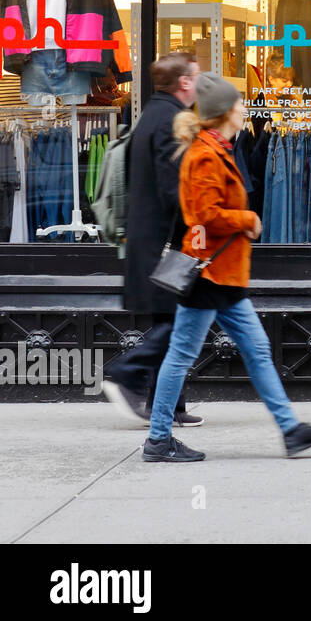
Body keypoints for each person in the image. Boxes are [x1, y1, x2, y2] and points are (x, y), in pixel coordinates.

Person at [142, 72, 311, 462]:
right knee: (183, 354)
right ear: (224, 112)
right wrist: (246, 220)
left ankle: (292, 431)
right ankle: (158, 439)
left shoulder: (218, 147)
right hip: (208, 274)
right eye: (238, 104)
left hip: (223, 273)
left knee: (258, 350)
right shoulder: (203, 154)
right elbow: (204, 214)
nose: (244, 109)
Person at [104, 51, 205, 427]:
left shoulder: (153, 113)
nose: (198, 84)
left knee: (173, 321)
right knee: (180, 323)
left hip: (152, 241)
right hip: (166, 243)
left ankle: (169, 406)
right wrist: (199, 224)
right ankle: (125, 372)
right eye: (195, 77)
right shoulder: (170, 119)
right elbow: (172, 187)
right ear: (183, 83)